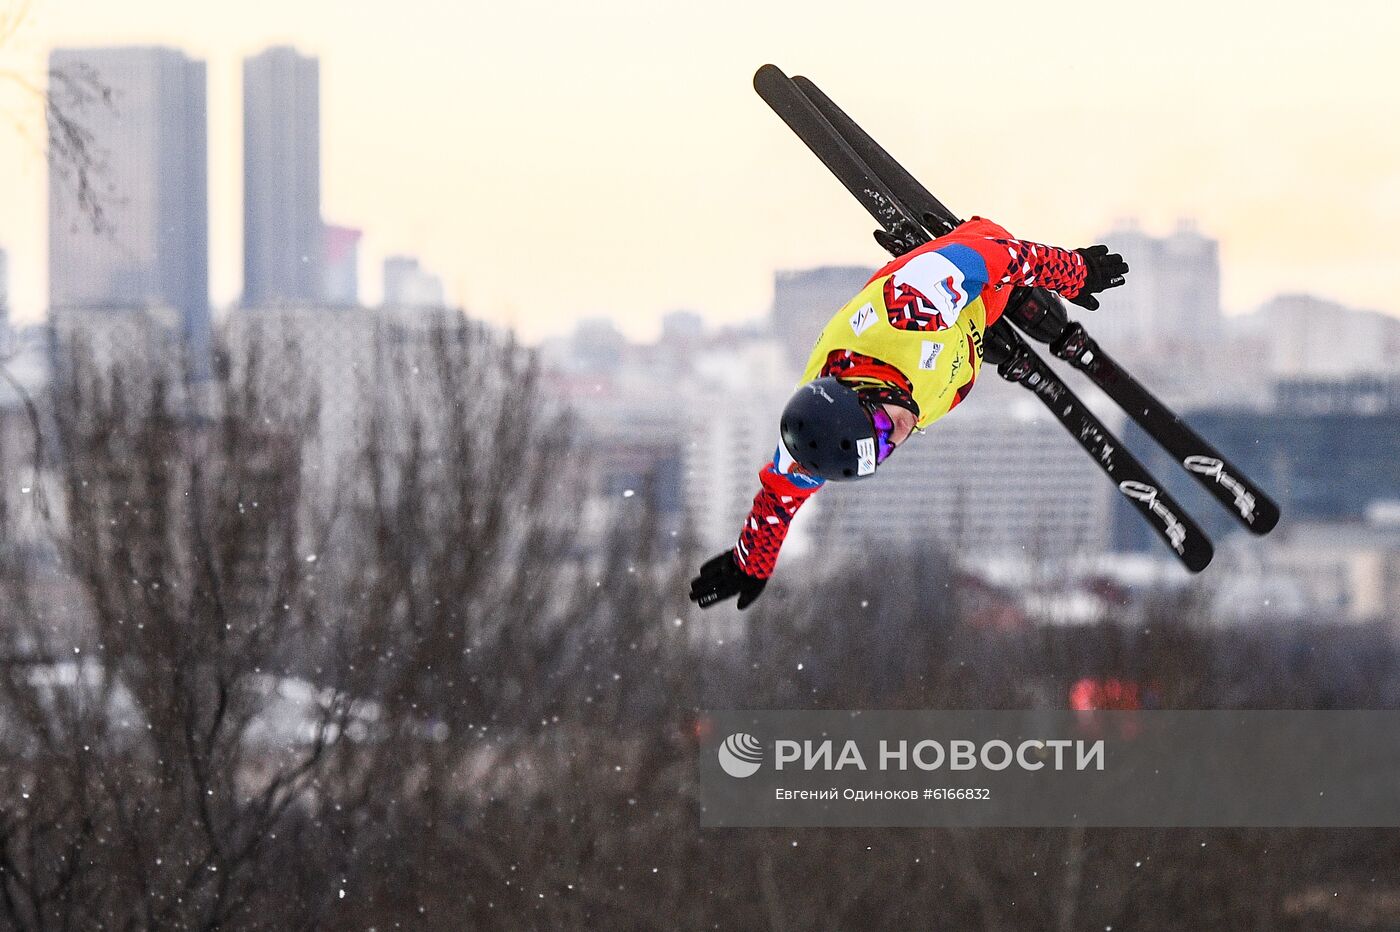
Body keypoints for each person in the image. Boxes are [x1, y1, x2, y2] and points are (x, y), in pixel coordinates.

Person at [688, 217, 1128, 609]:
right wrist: (751, 564)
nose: (893, 438)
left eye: (880, 428)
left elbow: (994, 255)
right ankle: (984, 340)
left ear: (861, 393)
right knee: (931, 391)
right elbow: (776, 503)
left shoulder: (911, 309)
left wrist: (1075, 272)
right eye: (880, 451)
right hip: (946, 358)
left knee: (992, 240)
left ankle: (971, 285)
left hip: (953, 296)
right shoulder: (819, 442)